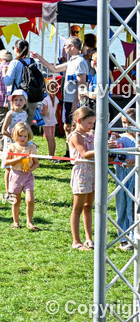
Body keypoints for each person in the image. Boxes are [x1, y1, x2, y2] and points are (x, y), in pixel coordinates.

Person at [31, 37, 88, 138]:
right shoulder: (71, 61)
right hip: (67, 99)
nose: (64, 47)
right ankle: (69, 146)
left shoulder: (80, 62)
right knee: (67, 126)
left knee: (73, 126)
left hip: (73, 100)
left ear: (72, 47)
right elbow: (53, 69)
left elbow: (81, 84)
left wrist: (76, 102)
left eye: (66, 45)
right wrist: (39, 57)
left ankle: (74, 146)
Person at [68, 106, 96, 251]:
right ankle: (76, 241)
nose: (91, 126)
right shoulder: (75, 136)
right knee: (77, 208)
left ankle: (89, 238)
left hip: (93, 171)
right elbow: (84, 154)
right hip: (82, 172)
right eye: (89, 123)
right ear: (79, 121)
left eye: (93, 123)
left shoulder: (91, 134)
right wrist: (102, 147)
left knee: (88, 206)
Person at [2, 122, 39, 231]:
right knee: (16, 200)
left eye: (25, 136)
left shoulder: (31, 147)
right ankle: (16, 221)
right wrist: (18, 159)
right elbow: (6, 162)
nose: (23, 138)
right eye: (20, 136)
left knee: (30, 199)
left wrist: (30, 169)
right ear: (15, 135)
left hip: (28, 177)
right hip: (15, 176)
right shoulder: (12, 147)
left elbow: (36, 163)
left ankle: (29, 222)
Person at [39, 88, 58, 158]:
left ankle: (51, 155)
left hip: (47, 121)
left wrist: (38, 111)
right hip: (53, 120)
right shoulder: (55, 98)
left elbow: (44, 113)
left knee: (49, 139)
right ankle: (52, 154)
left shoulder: (45, 100)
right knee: (52, 138)